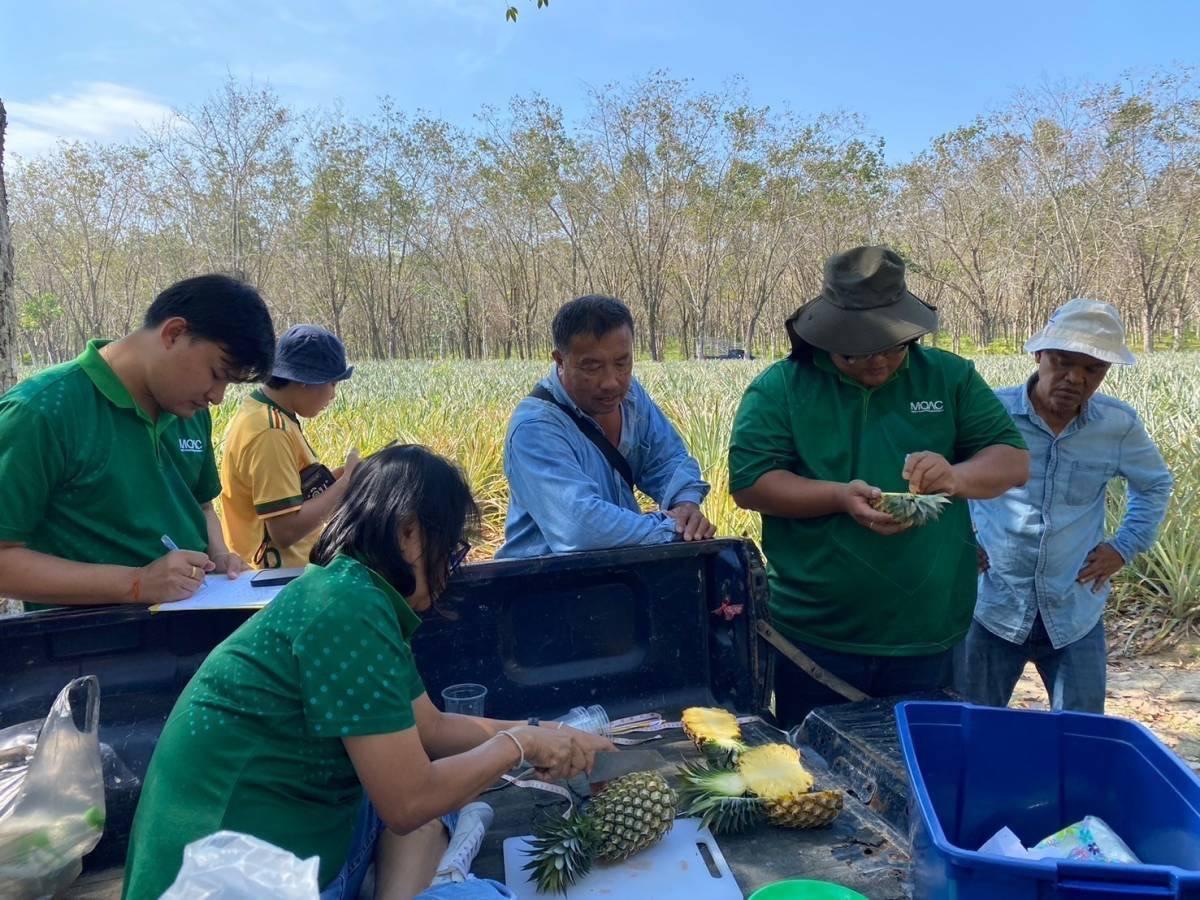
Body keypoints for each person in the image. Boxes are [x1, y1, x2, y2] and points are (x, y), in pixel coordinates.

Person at [122, 444, 613, 900]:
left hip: (269, 847)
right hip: (230, 881)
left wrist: (549, 731)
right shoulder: (346, 610)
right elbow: (406, 801)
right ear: (408, 531)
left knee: (450, 791)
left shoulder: (347, 591)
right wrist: (519, 747)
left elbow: (431, 728)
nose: (451, 569)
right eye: (452, 550)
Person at [729, 246, 1030, 726]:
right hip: (815, 636)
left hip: (929, 633)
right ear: (826, 337)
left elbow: (1012, 462)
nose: (879, 364)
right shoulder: (782, 388)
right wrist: (837, 496)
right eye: (858, 352)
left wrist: (955, 476)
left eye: (893, 347)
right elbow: (751, 484)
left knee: (919, 774)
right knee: (816, 781)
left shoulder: (949, 378)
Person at [0, 274, 275, 610]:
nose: (217, 397)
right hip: (90, 648)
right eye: (217, 374)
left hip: (190, 626)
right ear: (173, 333)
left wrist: (218, 556)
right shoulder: (42, 411)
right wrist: (137, 583)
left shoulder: (189, 410)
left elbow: (201, 505)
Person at [963, 300, 1172, 713]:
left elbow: (1155, 484)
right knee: (974, 728)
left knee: (1082, 737)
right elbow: (944, 479)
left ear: (1105, 372)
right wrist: (957, 541)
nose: (1074, 378)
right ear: (1039, 356)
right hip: (992, 605)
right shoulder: (991, 413)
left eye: (1092, 368)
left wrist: (1124, 546)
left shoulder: (1118, 426)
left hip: (1074, 610)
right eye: (1062, 361)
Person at [497, 294, 715, 559]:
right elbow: (580, 528)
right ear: (560, 360)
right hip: (545, 589)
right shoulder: (534, 429)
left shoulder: (631, 397)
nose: (611, 382)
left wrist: (685, 506)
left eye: (622, 363)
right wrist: (672, 527)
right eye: (592, 367)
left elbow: (668, 461)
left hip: (618, 582)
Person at [220, 325, 360, 570]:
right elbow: (285, 531)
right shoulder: (270, 432)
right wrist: (347, 482)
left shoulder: (265, 413)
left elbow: (292, 492)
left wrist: (339, 478)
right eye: (332, 384)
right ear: (306, 381)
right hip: (273, 582)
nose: (333, 395)